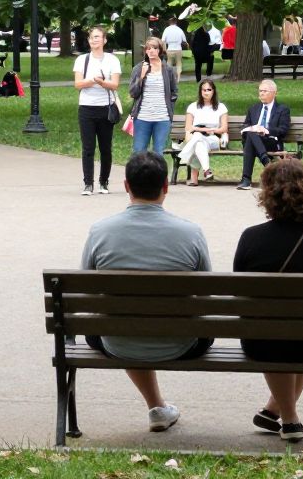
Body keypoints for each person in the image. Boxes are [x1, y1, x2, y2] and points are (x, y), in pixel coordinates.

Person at [80, 151, 212, 433]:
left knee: (124, 321)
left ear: (126, 186)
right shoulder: (191, 233)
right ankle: (158, 407)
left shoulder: (100, 231)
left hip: (117, 341)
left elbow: (86, 291)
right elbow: (206, 295)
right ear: (166, 186)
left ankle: (156, 406)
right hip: (182, 343)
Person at [234, 159, 303, 442]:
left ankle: (283, 414)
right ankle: (287, 417)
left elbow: (240, 296)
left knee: (278, 329)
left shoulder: (251, 238)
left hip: (263, 342)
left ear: (268, 195)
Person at [74, 25, 122, 195]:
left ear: (104, 40)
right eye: (91, 37)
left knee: (105, 148)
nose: (94, 40)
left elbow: (115, 84)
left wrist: (102, 82)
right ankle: (88, 183)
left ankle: (104, 182)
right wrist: (94, 81)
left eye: (97, 37)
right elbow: (78, 84)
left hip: (105, 108)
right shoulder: (82, 60)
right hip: (87, 108)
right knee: (88, 148)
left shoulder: (112, 60)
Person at [236, 80, 291, 190]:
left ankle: (246, 180)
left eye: (264, 91)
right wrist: (254, 128)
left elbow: (283, 130)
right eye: (260, 91)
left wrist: (266, 130)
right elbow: (245, 125)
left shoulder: (282, 109)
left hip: (271, 141)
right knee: (251, 134)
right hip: (253, 141)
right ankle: (266, 161)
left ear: (274, 93)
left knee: (251, 137)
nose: (261, 93)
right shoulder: (253, 109)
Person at [128, 37, 177, 154]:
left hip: (162, 118)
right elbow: (133, 93)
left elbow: (174, 92)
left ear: (160, 50)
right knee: (139, 152)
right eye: (148, 48)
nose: (151, 51)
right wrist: (141, 76)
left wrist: (169, 108)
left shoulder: (168, 70)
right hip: (142, 117)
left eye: (154, 48)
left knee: (158, 153)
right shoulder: (139, 68)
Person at [178, 78, 228, 185]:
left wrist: (209, 130)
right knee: (198, 142)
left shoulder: (221, 107)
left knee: (197, 139)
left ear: (213, 91)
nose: (206, 92)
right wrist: (203, 130)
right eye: (204, 90)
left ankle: (185, 157)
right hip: (197, 137)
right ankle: (207, 170)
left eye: (209, 90)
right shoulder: (193, 107)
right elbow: (188, 127)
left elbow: (224, 128)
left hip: (213, 138)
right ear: (200, 91)